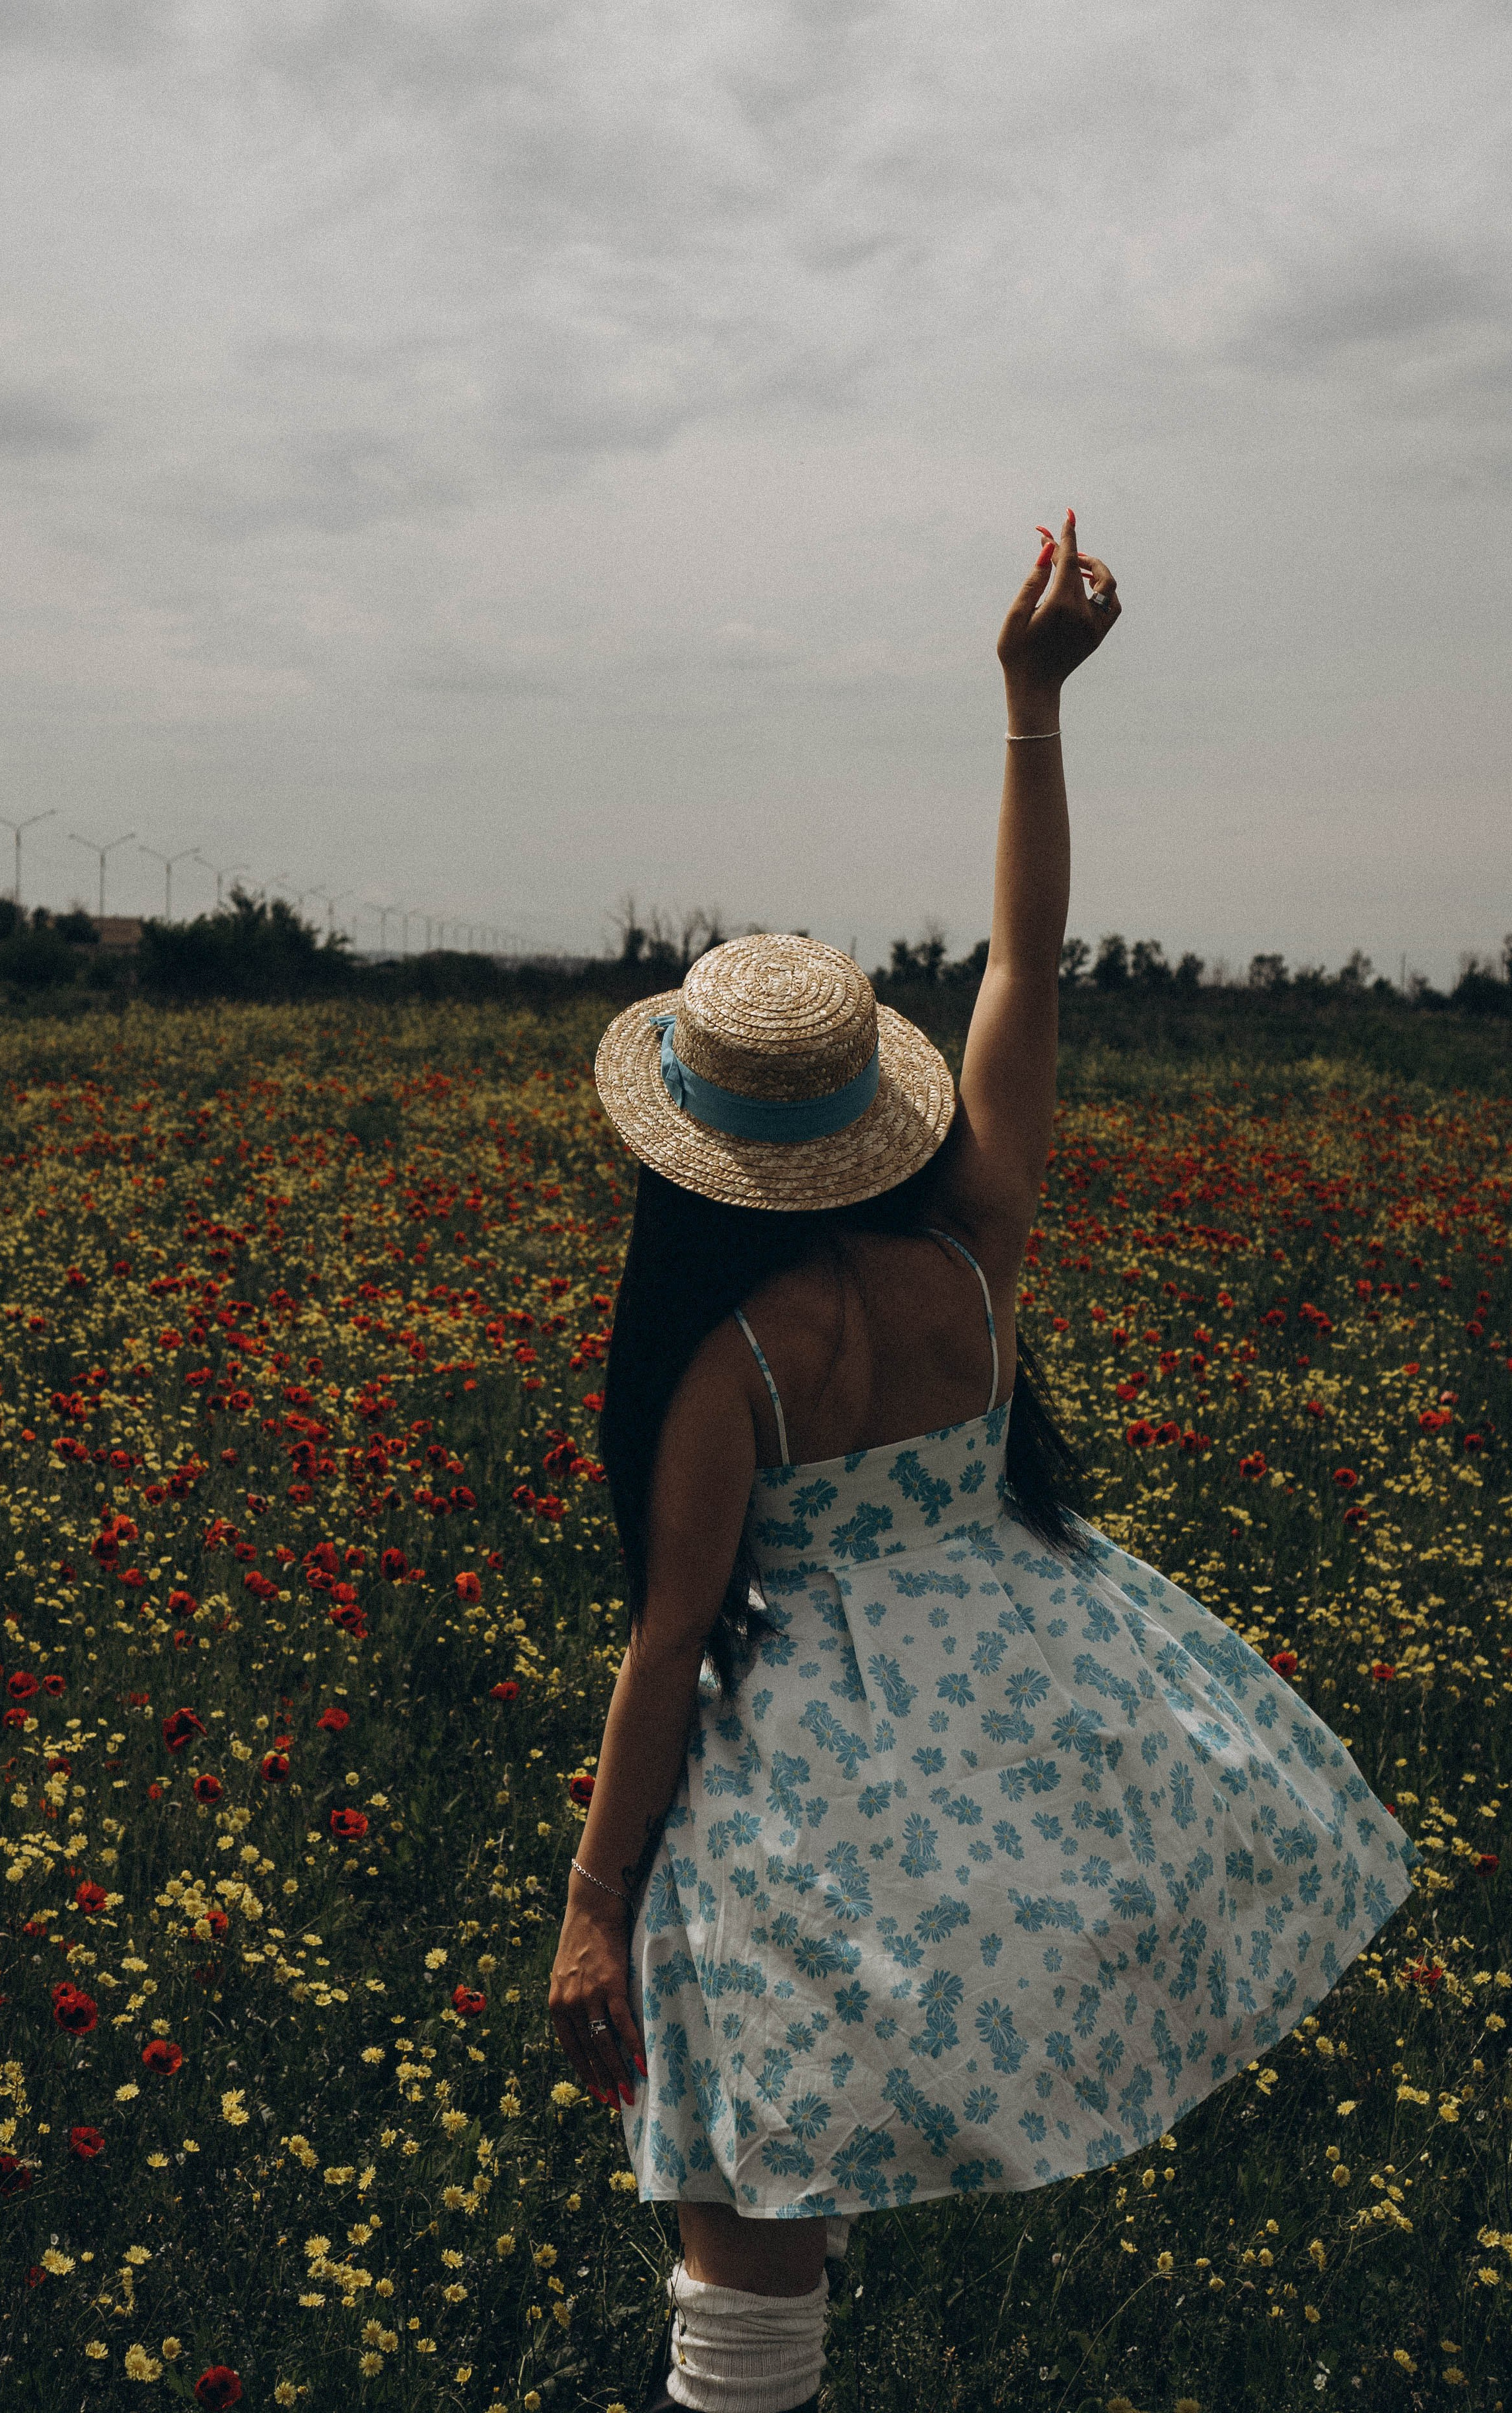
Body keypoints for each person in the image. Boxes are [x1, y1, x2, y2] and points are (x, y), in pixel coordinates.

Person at [549, 513, 1414, 2413]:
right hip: (1037, 1731)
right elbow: (1030, 950)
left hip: (819, 1807)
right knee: (809, 2155)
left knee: (738, 2197)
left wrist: (597, 1906)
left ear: (685, 1151)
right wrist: (1029, 704)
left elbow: (668, 1640)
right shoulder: (975, 1237)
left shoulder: (728, 1360)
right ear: (874, 1102)